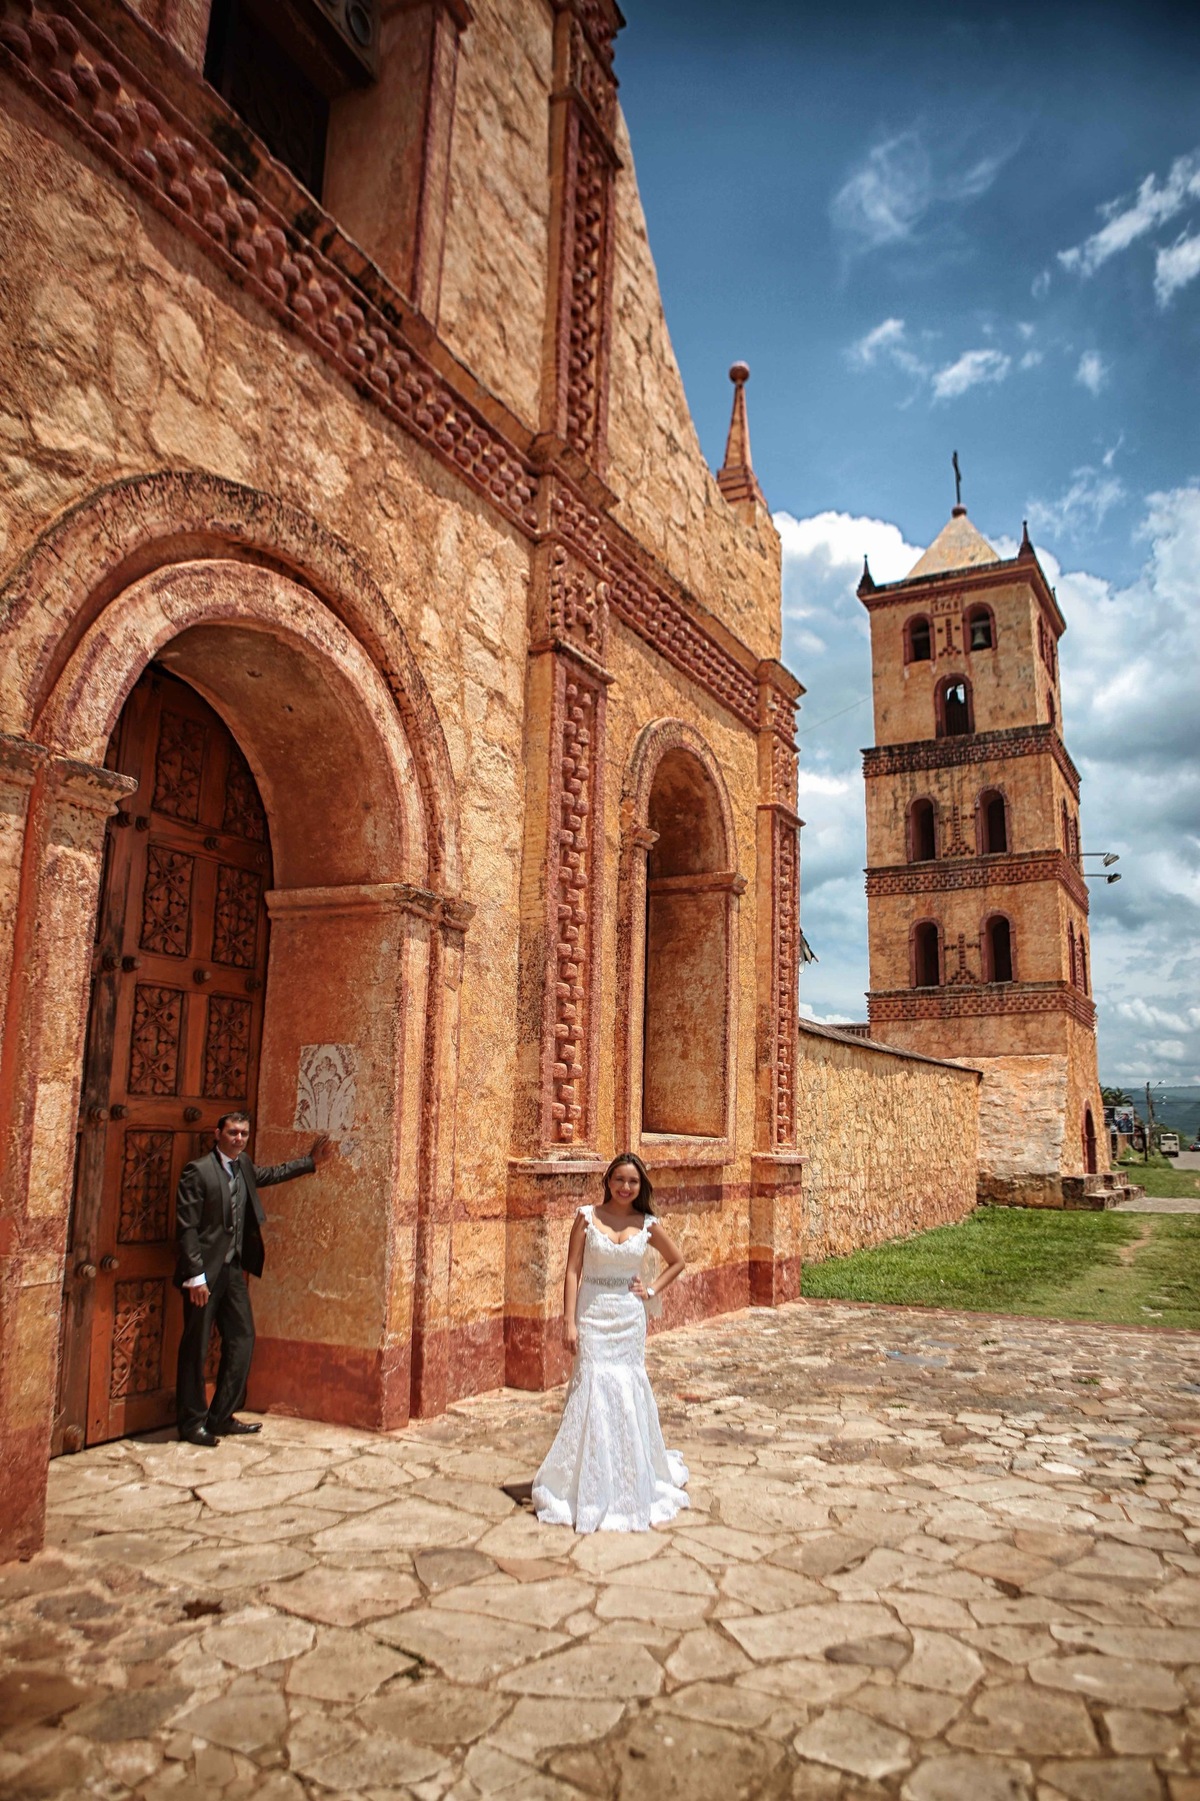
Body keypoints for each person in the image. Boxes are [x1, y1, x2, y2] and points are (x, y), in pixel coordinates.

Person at [532, 1152, 689, 1532]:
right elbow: (572, 1271)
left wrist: (649, 1290)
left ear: (641, 1186)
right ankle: (585, 1480)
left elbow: (677, 1261)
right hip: (592, 1314)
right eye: (619, 1179)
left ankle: (628, 1476)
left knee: (625, 1388)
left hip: (628, 1317)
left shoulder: (648, 1223)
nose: (625, 1187)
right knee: (592, 1387)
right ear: (608, 1181)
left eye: (632, 1181)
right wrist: (568, 1321)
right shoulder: (587, 1218)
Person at [174, 1111, 334, 1446]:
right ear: (218, 1133)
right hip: (204, 1277)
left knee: (243, 1339)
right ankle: (191, 1423)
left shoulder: (243, 1164)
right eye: (233, 1133)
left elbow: (268, 1175)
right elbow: (187, 1228)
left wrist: (309, 1162)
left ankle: (220, 1416)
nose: (239, 1139)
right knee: (196, 1347)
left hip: (232, 1271)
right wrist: (195, 1277)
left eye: (244, 1134)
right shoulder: (198, 1171)